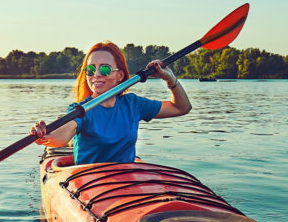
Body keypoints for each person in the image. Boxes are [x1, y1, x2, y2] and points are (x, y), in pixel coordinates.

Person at [30, 41, 191, 164]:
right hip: (89, 186)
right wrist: (45, 134)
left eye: (105, 69)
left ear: (120, 76)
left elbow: (181, 108)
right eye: (91, 70)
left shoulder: (133, 104)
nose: (97, 74)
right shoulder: (81, 110)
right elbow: (62, 136)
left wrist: (170, 78)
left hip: (125, 181)